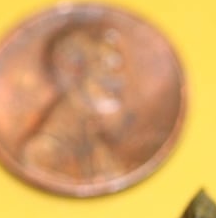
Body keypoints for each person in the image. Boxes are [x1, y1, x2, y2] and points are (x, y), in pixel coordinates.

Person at [21, 24, 134, 180]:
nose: (119, 79)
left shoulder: (96, 142)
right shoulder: (44, 153)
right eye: (105, 66)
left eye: (116, 67)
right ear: (75, 72)